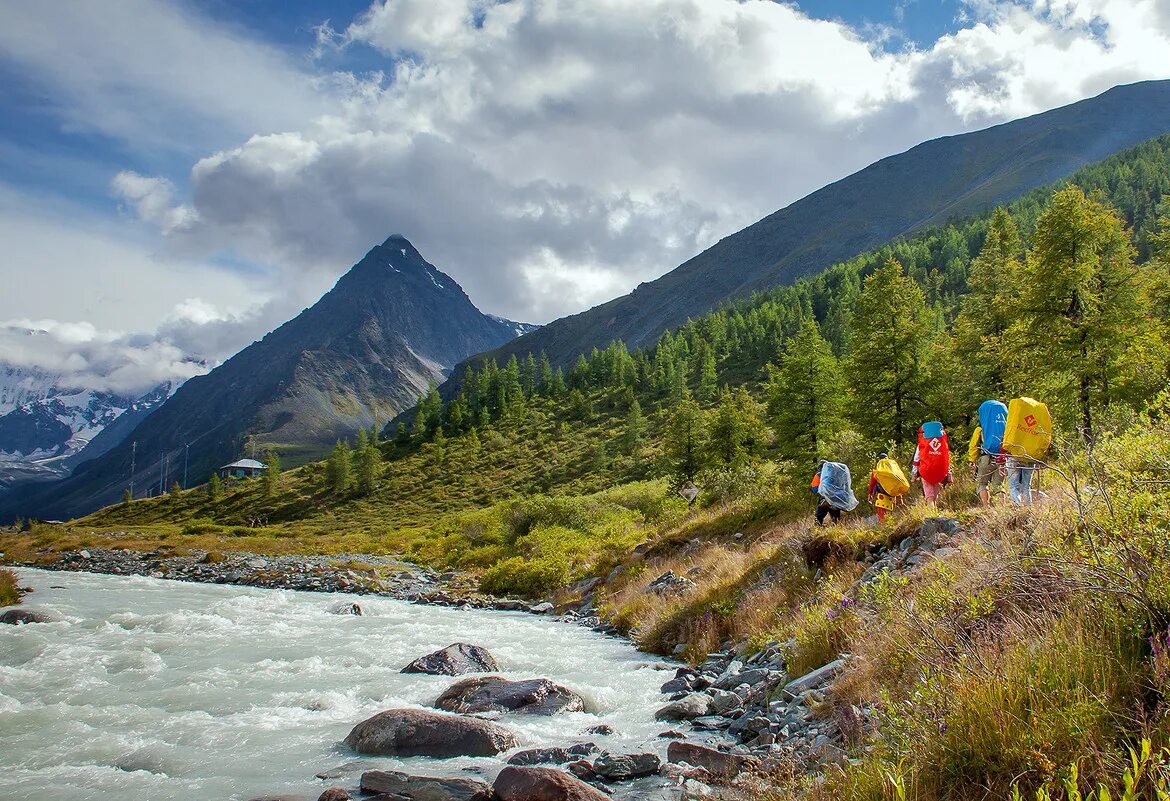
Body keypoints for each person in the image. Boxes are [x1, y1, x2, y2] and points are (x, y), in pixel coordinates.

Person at [911, 422, 952, 505]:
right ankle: (934, 509)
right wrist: (949, 474)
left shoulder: (921, 444)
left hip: (926, 471)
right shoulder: (943, 443)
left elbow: (916, 460)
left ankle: (931, 514)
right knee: (935, 494)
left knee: (929, 494)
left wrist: (914, 475)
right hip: (940, 471)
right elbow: (946, 459)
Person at [867, 453, 898, 523]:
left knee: (881, 513)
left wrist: (870, 494)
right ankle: (890, 525)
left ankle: (883, 526)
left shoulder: (877, 470)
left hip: (881, 495)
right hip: (892, 494)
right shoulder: (893, 469)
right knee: (890, 512)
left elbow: (872, 483)